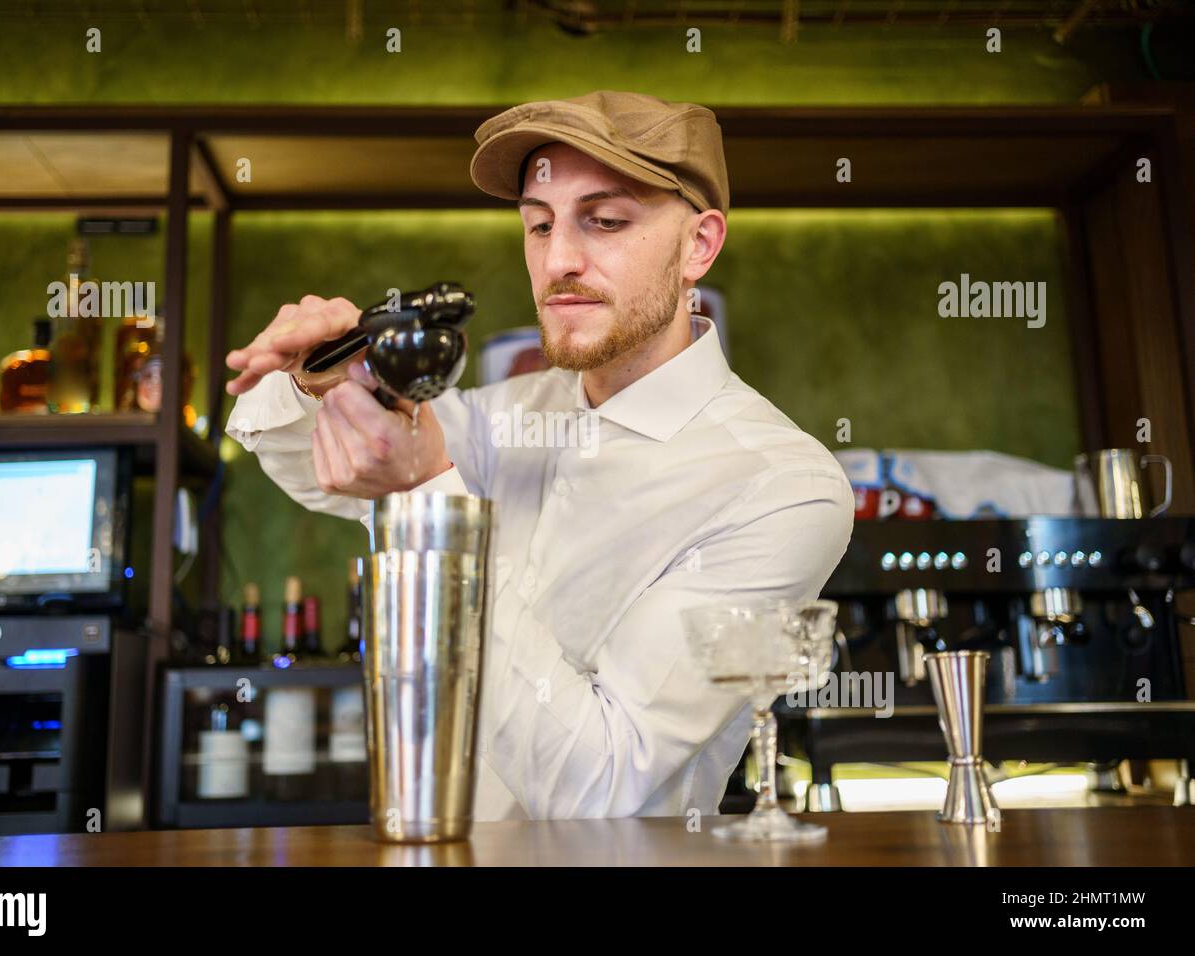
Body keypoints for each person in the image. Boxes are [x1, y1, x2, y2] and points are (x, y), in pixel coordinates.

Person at [224, 90, 854, 821]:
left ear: (699, 246)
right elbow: (313, 466)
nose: (558, 261)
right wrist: (319, 380)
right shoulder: (508, 416)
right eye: (538, 224)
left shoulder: (782, 487)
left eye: (605, 221)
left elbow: (603, 783)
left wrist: (430, 491)